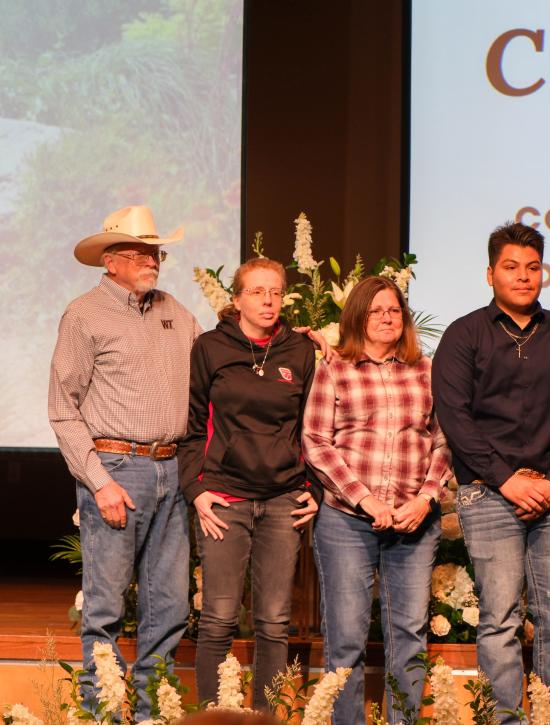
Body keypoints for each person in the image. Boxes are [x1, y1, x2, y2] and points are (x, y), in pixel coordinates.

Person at [431, 221, 550, 723]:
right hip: (489, 493)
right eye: (511, 267)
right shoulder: (465, 335)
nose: (523, 276)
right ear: (490, 274)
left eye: (532, 267)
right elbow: (455, 417)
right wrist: (508, 479)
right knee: (499, 619)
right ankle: (503, 721)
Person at [48, 205, 200, 720]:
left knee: (171, 608)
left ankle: (150, 713)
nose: (150, 261)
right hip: (117, 470)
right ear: (110, 261)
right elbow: (62, 407)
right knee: (106, 610)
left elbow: (212, 370)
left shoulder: (176, 311)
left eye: (155, 252)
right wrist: (98, 482)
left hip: (172, 468)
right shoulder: (84, 314)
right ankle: (104, 715)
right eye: (137, 253)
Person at [302, 276, 451, 725]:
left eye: (394, 310)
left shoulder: (425, 370)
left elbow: (444, 442)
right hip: (347, 522)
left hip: (414, 522)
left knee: (408, 635)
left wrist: (425, 499)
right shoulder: (335, 368)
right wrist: (366, 501)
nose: (387, 318)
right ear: (357, 318)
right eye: (376, 311)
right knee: (345, 637)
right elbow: (315, 441)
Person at [178, 257, 319, 711]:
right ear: (236, 299)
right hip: (224, 499)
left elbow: (312, 428)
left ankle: (265, 718)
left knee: (274, 622)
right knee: (218, 618)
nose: (268, 300)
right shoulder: (210, 348)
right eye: (257, 291)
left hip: (282, 500)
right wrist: (197, 490)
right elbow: (193, 426)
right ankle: (211, 717)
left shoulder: (300, 350)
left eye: (275, 292)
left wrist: (313, 490)